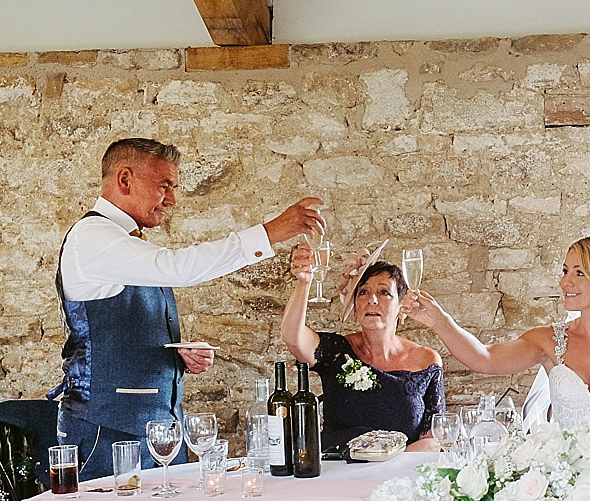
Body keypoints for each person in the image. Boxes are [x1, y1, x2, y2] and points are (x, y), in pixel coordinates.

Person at [51, 138, 324, 480]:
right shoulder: (90, 237)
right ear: (124, 180)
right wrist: (269, 233)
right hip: (105, 433)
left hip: (163, 431)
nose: (172, 199)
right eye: (163, 186)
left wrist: (173, 355)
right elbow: (178, 268)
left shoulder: (125, 243)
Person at [402, 231, 590, 436]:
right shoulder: (548, 341)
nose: (565, 281)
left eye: (579, 273)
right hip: (558, 480)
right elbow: (484, 359)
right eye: (565, 270)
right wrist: (439, 321)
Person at [282, 247, 444, 455]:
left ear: (401, 307)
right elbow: (292, 337)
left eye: (384, 292)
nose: (372, 300)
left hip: (397, 478)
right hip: (336, 474)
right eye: (363, 292)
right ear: (355, 307)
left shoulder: (426, 360)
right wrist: (304, 283)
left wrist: (383, 468)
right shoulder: (336, 351)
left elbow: (432, 441)